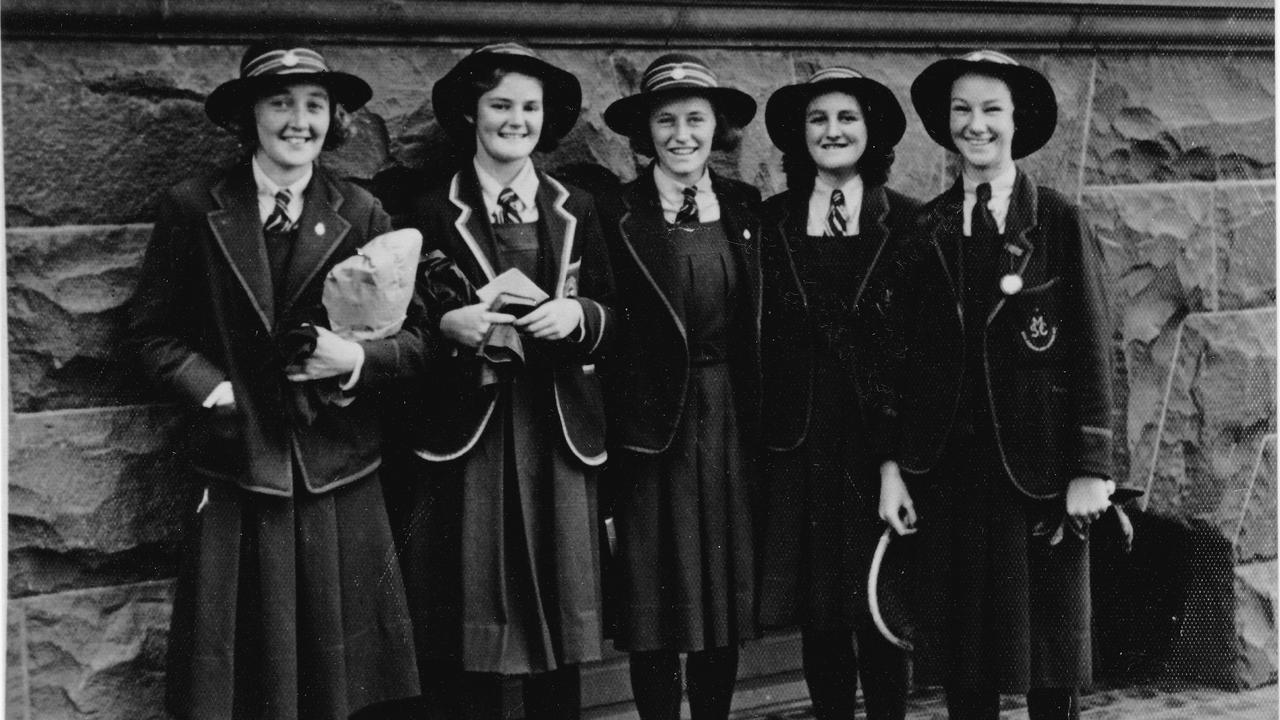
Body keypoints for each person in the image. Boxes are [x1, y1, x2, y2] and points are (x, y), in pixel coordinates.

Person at [128, 38, 427, 720]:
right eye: (280, 103)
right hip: (240, 469)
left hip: (337, 469)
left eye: (315, 105)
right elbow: (151, 332)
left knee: (339, 681)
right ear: (248, 118)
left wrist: (353, 362)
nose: (299, 121)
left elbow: (417, 342)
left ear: (334, 120)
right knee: (243, 682)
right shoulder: (193, 207)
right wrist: (216, 390)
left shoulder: (362, 211)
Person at [890, 49, 1115, 720]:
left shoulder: (1057, 221)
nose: (976, 124)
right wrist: (896, 467)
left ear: (1018, 122)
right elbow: (902, 364)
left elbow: (1099, 351)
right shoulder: (924, 230)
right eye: (962, 110)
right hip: (953, 477)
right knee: (966, 662)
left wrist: (1091, 468)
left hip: (1038, 476)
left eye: (992, 110)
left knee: (1047, 665)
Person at [396, 42, 615, 720]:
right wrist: (447, 326)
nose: (514, 120)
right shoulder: (430, 208)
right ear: (471, 114)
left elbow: (617, 309)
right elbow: (398, 324)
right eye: (499, 105)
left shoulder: (579, 205)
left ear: (545, 119)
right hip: (472, 433)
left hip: (555, 429)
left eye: (529, 107)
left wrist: (575, 314)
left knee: (559, 611)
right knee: (474, 611)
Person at [597, 53, 762, 720]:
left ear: (716, 127)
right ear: (646, 133)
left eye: (696, 119)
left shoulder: (750, 210)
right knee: (656, 603)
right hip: (650, 428)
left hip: (730, 423)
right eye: (667, 121)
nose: (682, 135)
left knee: (722, 599)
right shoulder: (615, 213)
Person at [756, 66, 919, 720]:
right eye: (818, 119)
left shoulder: (910, 224)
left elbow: (920, 357)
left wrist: (896, 463)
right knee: (821, 615)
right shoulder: (769, 223)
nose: (832, 131)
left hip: (878, 453)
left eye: (846, 118)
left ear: (870, 130)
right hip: (801, 450)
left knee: (880, 610)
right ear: (800, 135)